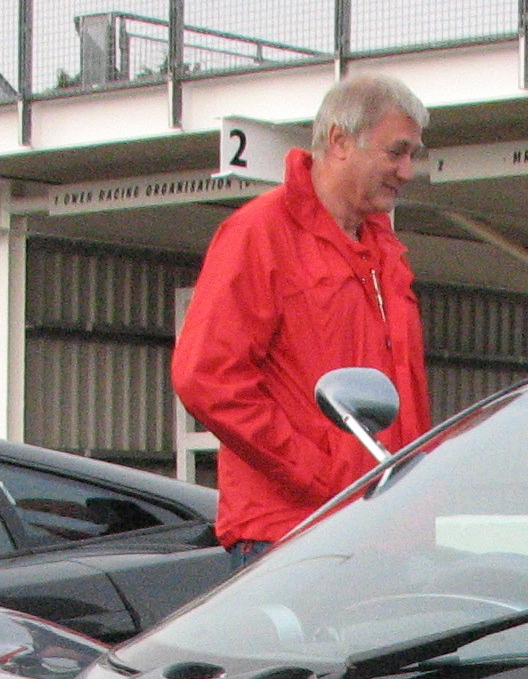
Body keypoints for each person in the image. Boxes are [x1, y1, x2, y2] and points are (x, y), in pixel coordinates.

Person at [173, 73, 433, 565]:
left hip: (381, 528)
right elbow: (205, 376)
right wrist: (323, 472)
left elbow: (405, 394)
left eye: (413, 154)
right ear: (338, 140)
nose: (407, 170)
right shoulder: (260, 234)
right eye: (396, 152)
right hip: (293, 536)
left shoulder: (383, 251)